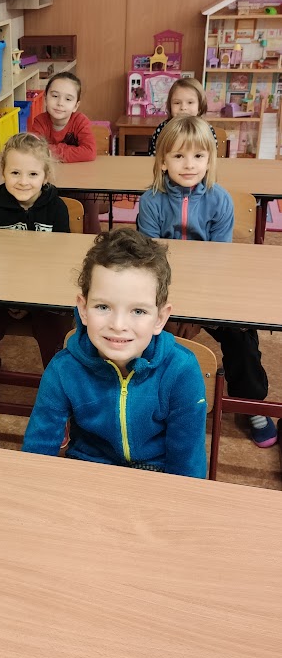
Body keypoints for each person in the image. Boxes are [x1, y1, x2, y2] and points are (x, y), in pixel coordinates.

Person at [22, 227, 208, 478]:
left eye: (138, 311)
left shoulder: (181, 371)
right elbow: (36, 453)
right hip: (88, 470)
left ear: (160, 318)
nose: (118, 325)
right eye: (103, 307)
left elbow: (187, 466)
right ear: (83, 309)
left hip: (156, 476)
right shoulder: (63, 369)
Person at [137, 115, 274, 448]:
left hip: (210, 287)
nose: (189, 164)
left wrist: (199, 313)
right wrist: (175, 310)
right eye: (179, 156)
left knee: (242, 335)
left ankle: (251, 402)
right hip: (162, 290)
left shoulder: (220, 200)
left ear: (210, 159)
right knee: (139, 331)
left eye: (198, 156)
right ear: (163, 160)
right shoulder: (151, 200)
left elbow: (218, 261)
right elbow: (149, 261)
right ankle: (144, 399)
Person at [0, 131, 73, 367]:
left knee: (54, 333)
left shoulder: (57, 208)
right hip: (4, 289)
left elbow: (60, 259)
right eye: (15, 173)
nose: (23, 181)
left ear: (45, 176)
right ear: (3, 172)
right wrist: (12, 299)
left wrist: (30, 301)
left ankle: (55, 379)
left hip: (45, 289)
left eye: (33, 174)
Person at [31, 72, 100, 234]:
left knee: (90, 198)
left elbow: (89, 152)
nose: (60, 103)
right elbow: (35, 151)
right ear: (45, 98)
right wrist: (70, 152)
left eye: (68, 99)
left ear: (76, 105)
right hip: (50, 180)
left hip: (80, 182)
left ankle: (93, 236)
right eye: (55, 96)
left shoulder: (80, 121)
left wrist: (54, 150)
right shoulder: (40, 121)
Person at [149, 77, 217, 156]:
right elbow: (154, 156)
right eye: (177, 103)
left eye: (190, 102)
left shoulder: (207, 130)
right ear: (170, 105)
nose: (183, 107)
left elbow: (212, 157)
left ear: (200, 106)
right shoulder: (163, 129)